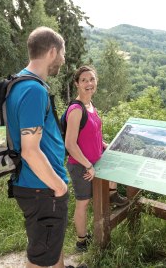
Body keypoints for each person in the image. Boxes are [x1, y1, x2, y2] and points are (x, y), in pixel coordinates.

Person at [6, 26, 73, 268]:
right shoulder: (33, 90)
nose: (63, 60)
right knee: (42, 259)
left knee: (49, 251)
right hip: (41, 188)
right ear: (52, 52)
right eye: (63, 54)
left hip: (36, 186)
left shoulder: (18, 83)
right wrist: (59, 185)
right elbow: (30, 150)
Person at [65, 65, 129, 252]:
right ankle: (81, 241)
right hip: (81, 165)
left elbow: (92, 135)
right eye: (84, 80)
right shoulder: (76, 109)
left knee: (97, 198)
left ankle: (112, 194)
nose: (88, 83)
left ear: (96, 82)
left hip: (94, 162)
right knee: (83, 203)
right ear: (77, 84)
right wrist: (88, 166)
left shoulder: (91, 106)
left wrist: (105, 145)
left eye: (91, 79)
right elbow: (70, 144)